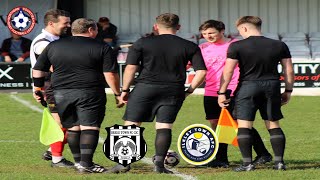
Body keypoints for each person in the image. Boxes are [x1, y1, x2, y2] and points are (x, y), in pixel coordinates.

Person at [109, 13, 207, 174]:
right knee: (164, 126)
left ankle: (123, 164)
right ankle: (160, 166)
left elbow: (131, 68)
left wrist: (124, 90)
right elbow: (202, 72)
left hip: (145, 87)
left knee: (132, 124)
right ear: (178, 27)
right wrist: (189, 90)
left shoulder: (142, 42)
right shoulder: (189, 46)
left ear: (156, 26)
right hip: (173, 89)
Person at [32, 18, 123, 173]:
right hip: (90, 92)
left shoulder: (54, 45)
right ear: (90, 30)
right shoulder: (102, 46)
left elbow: (38, 69)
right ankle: (87, 164)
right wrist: (117, 93)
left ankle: (79, 163)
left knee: (73, 128)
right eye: (96, 29)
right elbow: (110, 73)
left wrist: (38, 88)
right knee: (90, 127)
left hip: (61, 92)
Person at [218, 16, 294, 171]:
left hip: (248, 86)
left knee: (244, 125)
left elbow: (228, 71)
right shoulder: (279, 45)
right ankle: (279, 163)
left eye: (240, 30)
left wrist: (221, 92)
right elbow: (288, 70)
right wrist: (288, 90)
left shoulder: (236, 46)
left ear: (244, 28)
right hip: (271, 86)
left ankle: (247, 164)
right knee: (273, 124)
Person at [198, 20, 272, 168]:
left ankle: (263, 153)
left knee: (238, 123)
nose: (208, 36)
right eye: (204, 34)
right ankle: (221, 158)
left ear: (222, 30)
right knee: (215, 124)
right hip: (210, 91)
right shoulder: (202, 48)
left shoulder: (236, 45)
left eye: (211, 33)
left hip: (232, 89)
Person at [30, 9, 73, 167]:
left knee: (76, 124)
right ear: (51, 23)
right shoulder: (42, 42)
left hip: (62, 85)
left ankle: (51, 152)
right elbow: (55, 65)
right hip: (52, 86)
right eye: (65, 23)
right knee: (62, 123)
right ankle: (57, 159)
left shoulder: (58, 39)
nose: (68, 25)